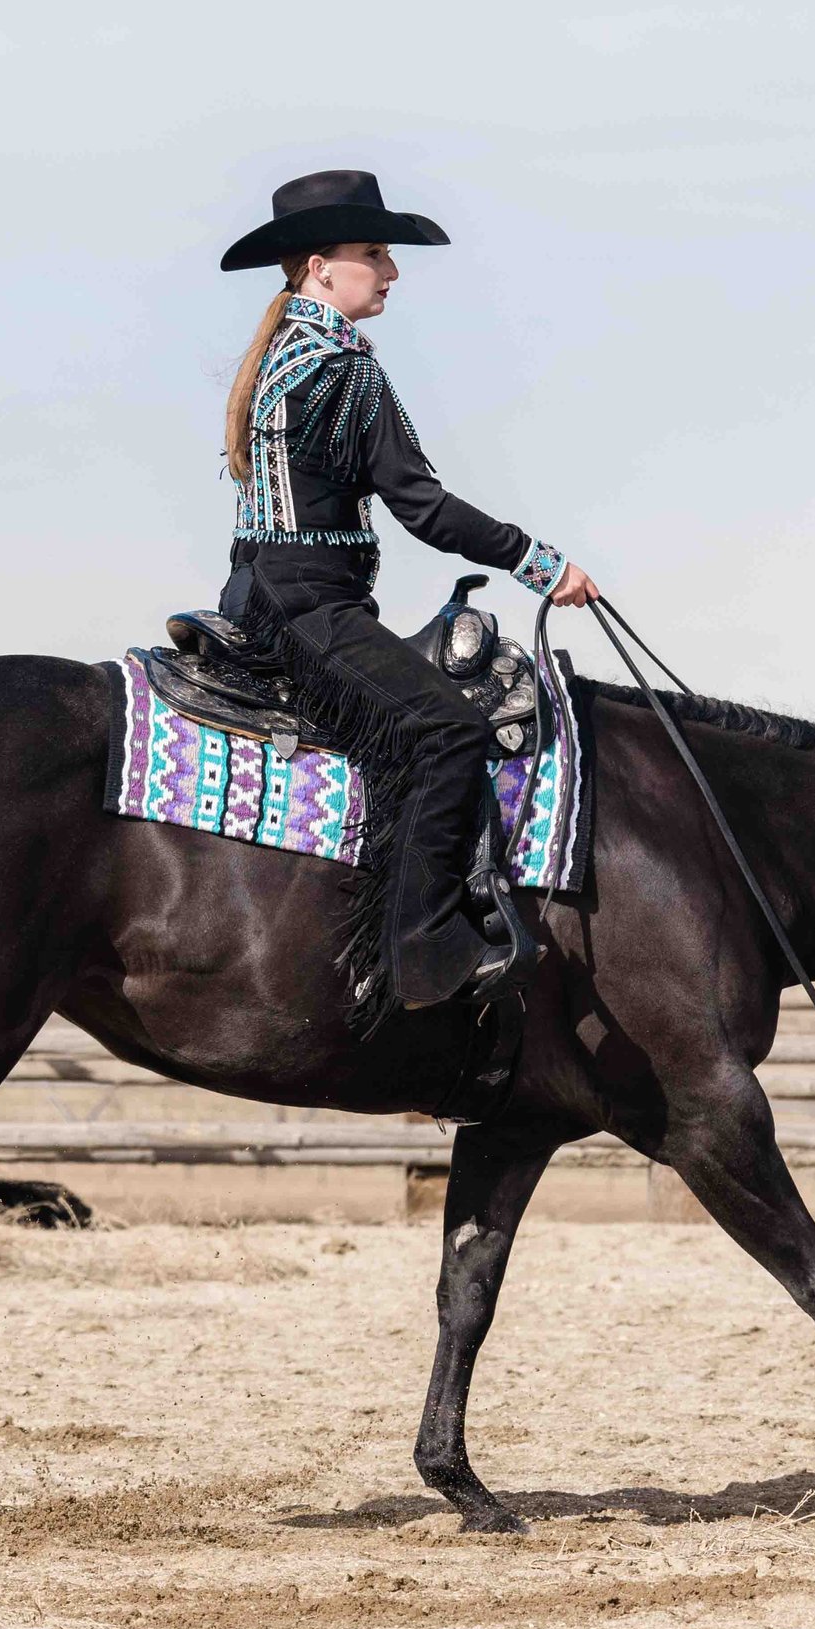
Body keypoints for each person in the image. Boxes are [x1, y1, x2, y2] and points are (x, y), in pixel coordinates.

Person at [217, 169, 600, 1014]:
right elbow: (421, 506)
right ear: (320, 267)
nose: (390, 272)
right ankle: (420, 953)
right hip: (307, 605)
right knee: (446, 733)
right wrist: (543, 564)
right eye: (374, 254)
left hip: (264, 592)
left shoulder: (284, 352)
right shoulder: (344, 367)